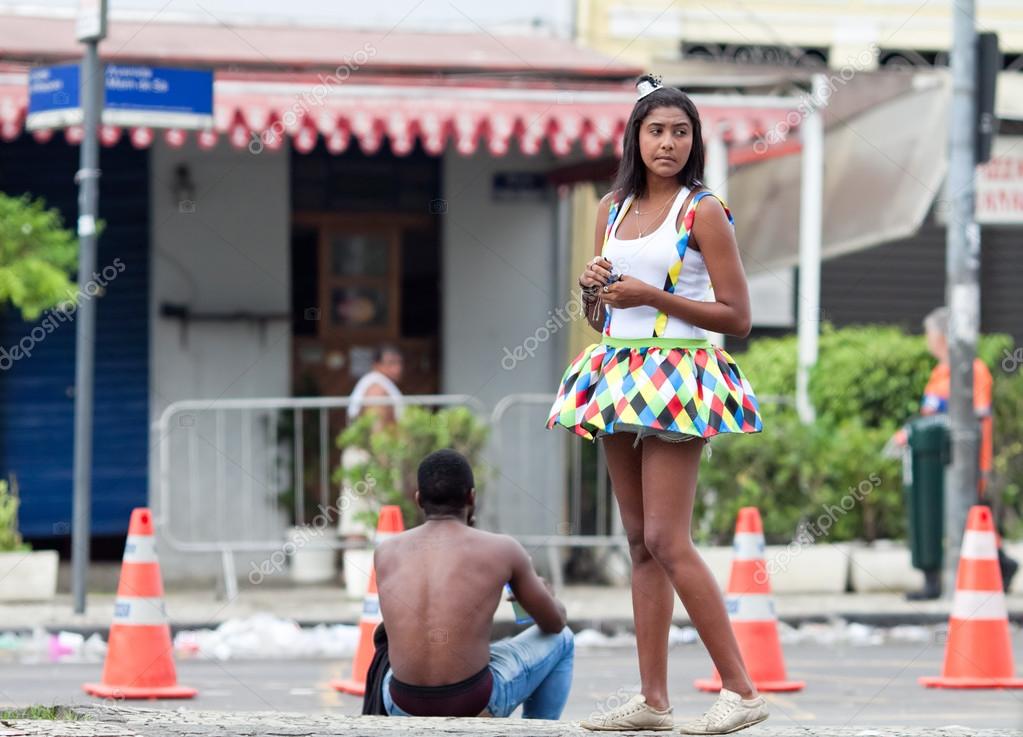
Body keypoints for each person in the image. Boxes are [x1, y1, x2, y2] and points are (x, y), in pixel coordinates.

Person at [546, 74, 767, 735]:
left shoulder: (703, 209)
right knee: (639, 543)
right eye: (655, 131)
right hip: (618, 367)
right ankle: (653, 700)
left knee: (668, 539)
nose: (667, 143)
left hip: (680, 371)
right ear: (634, 138)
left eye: (679, 132)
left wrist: (653, 296)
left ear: (693, 141)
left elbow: (737, 317)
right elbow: (600, 312)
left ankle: (740, 687)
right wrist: (593, 292)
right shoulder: (608, 207)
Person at [374, 449, 575, 719]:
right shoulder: (502, 549)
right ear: (472, 496)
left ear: (419, 499)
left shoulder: (386, 551)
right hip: (474, 703)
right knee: (564, 640)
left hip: (402, 703)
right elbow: (554, 623)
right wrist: (546, 594)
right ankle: (537, 729)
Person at [891, 306, 1018, 598]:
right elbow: (929, 415)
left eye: (929, 334)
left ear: (941, 336)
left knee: (968, 513)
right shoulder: (939, 373)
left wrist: (979, 463)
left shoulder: (973, 371)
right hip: (934, 461)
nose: (927, 340)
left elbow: (978, 416)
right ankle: (994, 567)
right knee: (944, 514)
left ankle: (996, 567)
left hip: (967, 461)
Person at [338, 344, 406, 541]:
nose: (397, 368)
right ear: (377, 365)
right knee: (362, 520)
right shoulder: (377, 389)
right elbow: (377, 428)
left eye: (399, 363)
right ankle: (358, 570)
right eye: (391, 363)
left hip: (369, 457)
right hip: (370, 458)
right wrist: (383, 461)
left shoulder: (378, 385)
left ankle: (360, 569)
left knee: (367, 519)